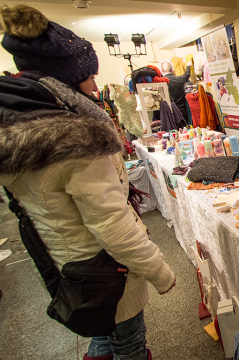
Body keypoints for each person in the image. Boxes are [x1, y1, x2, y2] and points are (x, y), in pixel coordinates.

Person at [0, 5, 175, 360]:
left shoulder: (18, 125)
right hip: (104, 267)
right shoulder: (75, 141)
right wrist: (160, 271)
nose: (96, 84)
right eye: (89, 75)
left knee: (102, 329)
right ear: (65, 77)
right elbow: (111, 223)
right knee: (128, 339)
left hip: (66, 260)